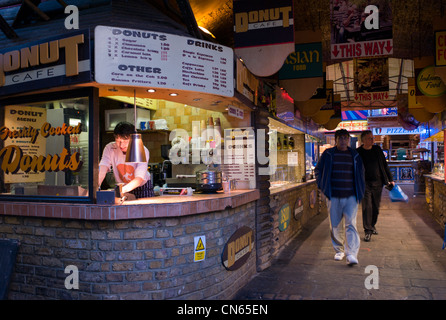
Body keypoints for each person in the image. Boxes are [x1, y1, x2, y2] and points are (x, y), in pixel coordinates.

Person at [315, 129, 365, 266]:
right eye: (341, 138)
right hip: (333, 195)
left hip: (351, 196)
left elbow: (361, 174)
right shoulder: (328, 154)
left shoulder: (355, 155)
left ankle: (352, 253)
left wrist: (360, 191)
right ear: (336, 140)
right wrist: (322, 186)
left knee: (351, 224)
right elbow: (318, 170)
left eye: (345, 138)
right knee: (335, 224)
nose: (343, 140)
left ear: (348, 140)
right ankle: (339, 250)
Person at [356, 130, 394, 241]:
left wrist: (390, 179)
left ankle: (372, 225)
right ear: (363, 140)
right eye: (369, 138)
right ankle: (367, 231)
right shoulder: (358, 152)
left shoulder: (377, 150)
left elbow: (385, 165)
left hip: (378, 183)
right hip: (364, 184)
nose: (372, 140)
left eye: (372, 138)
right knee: (367, 206)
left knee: (375, 207)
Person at [98, 121, 152, 199]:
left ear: (133, 139)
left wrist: (120, 191)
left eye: (125, 141)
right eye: (118, 141)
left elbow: (139, 178)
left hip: (142, 188)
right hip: (122, 187)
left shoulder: (141, 150)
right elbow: (103, 167)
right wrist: (96, 186)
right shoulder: (110, 148)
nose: (121, 145)